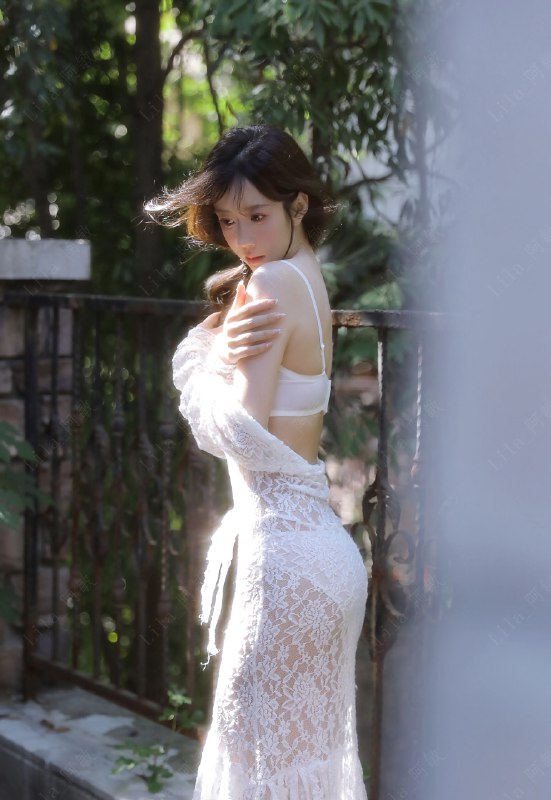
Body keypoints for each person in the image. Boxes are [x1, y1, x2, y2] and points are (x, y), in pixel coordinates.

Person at [147, 125, 368, 799]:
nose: (242, 237)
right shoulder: (305, 274)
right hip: (316, 556)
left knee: (261, 774)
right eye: (226, 220)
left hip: (287, 568)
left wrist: (200, 361)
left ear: (298, 205)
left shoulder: (270, 281)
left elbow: (240, 432)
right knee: (295, 773)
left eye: (257, 215)